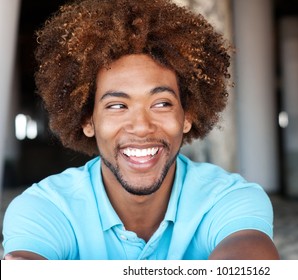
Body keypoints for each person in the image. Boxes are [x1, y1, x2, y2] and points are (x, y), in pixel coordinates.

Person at [2, 0, 279, 260]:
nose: (142, 127)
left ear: (187, 116)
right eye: (117, 106)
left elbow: (248, 256)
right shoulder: (45, 208)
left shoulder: (229, 198)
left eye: (161, 103)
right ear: (88, 121)